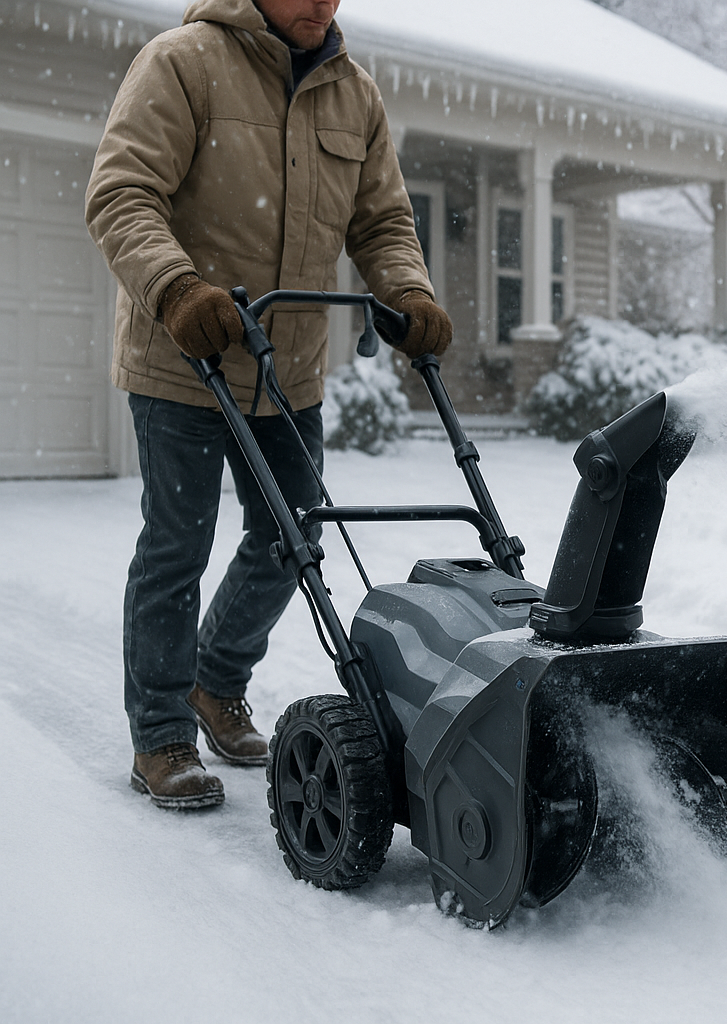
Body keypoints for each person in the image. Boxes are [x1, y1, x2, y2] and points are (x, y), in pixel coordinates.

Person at [85, 0, 452, 808]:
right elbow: (121, 193)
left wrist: (407, 292)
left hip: (287, 367)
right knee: (178, 543)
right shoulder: (183, 60)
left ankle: (215, 682)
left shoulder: (353, 93)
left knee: (294, 535)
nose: (323, 4)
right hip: (185, 356)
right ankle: (161, 735)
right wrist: (177, 287)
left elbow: (383, 219)